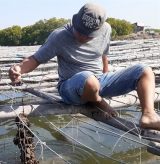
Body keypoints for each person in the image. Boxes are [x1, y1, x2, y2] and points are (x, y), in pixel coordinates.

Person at [9, 2, 160, 131]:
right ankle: (99, 102)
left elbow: (103, 56)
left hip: (97, 82)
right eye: (80, 31)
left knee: (144, 70)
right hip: (70, 88)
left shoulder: (106, 30)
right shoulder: (59, 36)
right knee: (89, 80)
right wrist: (19, 69)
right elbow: (36, 59)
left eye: (89, 34)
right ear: (75, 22)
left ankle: (148, 115)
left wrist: (107, 77)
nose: (83, 36)